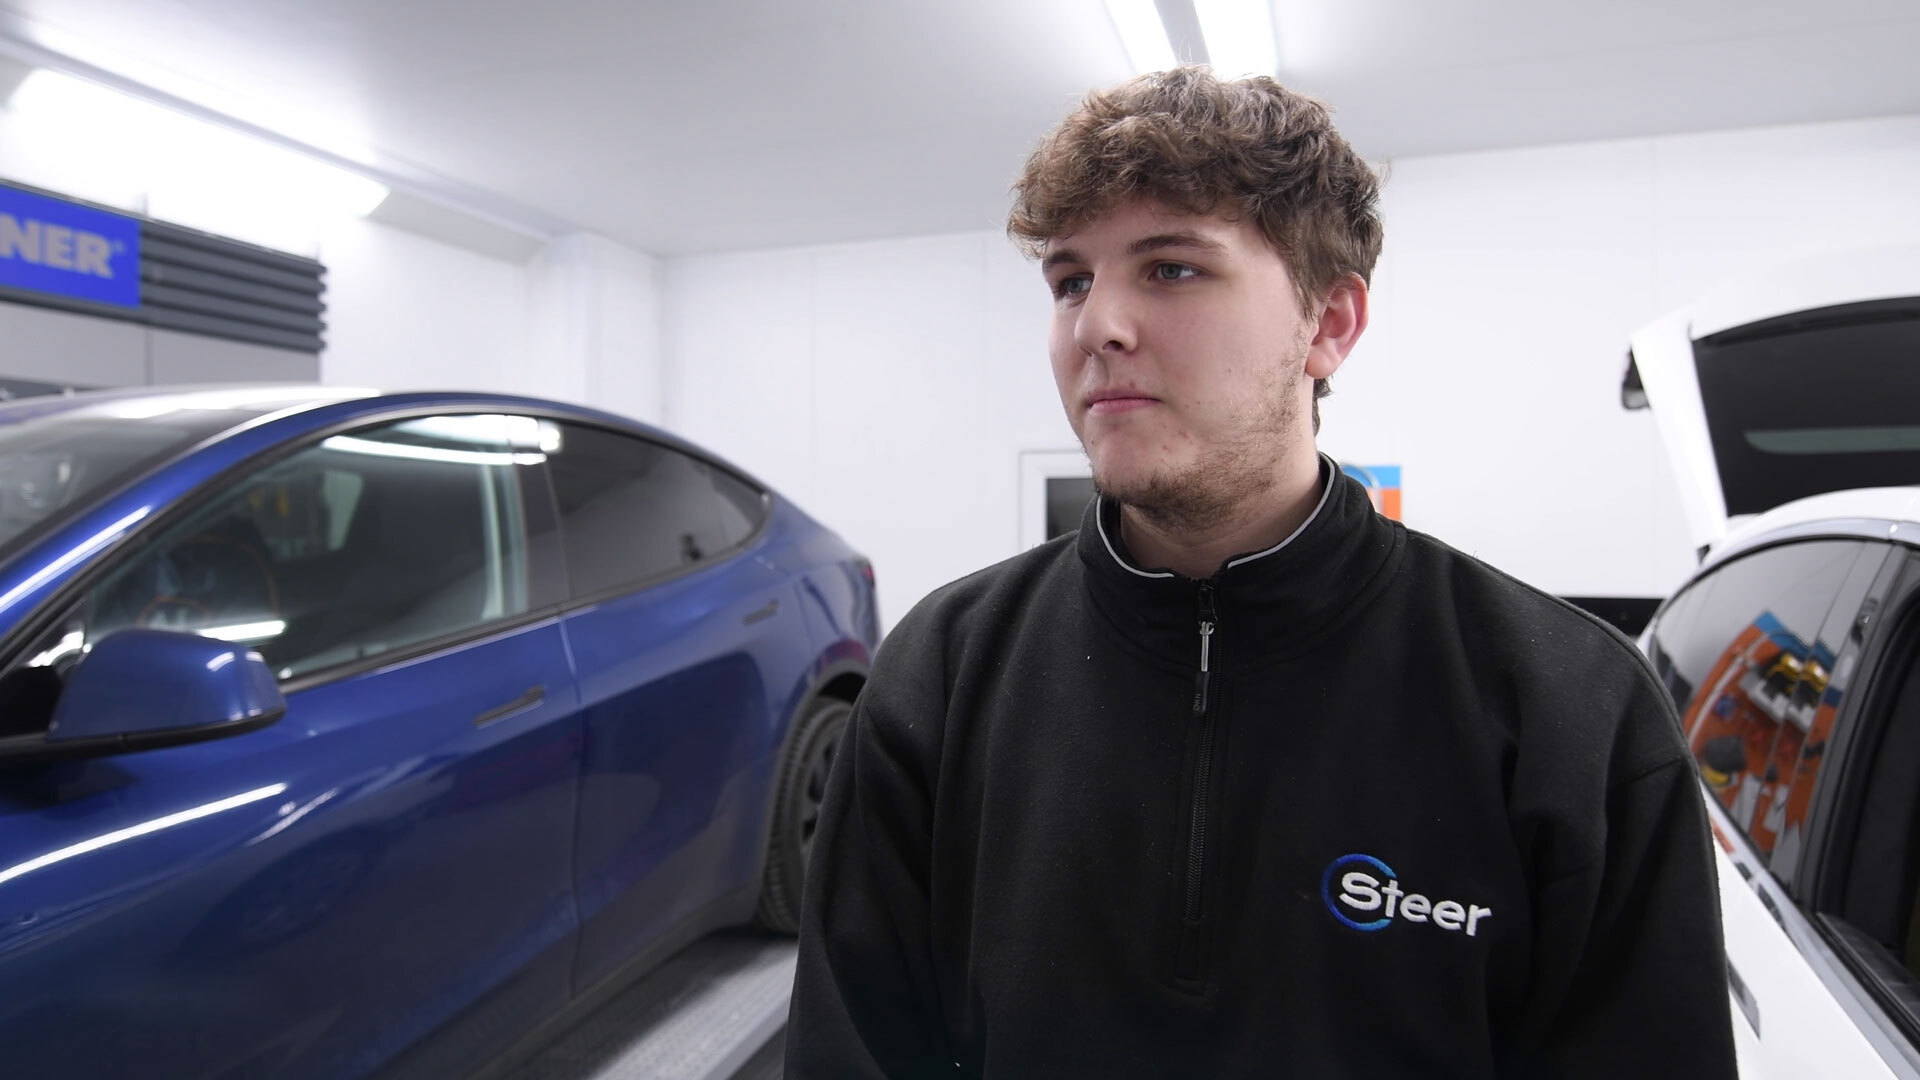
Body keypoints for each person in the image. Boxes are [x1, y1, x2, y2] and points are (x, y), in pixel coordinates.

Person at [786, 66, 1737, 1078]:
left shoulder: (1567, 710)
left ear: (1329, 324)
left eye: (1170, 269)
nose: (1096, 327)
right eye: (1071, 280)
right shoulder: (942, 672)